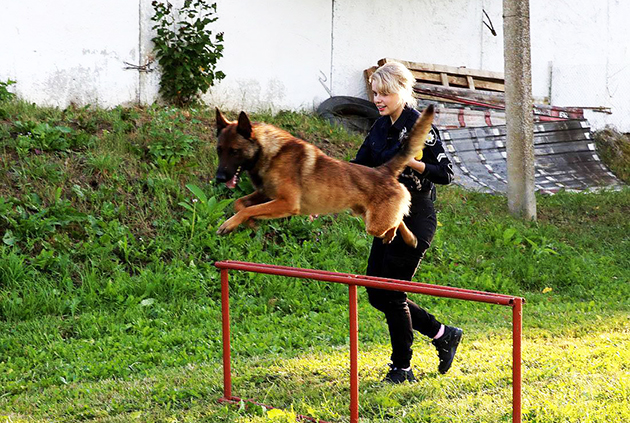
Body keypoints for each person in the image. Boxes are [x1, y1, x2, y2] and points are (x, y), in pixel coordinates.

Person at [352, 61, 462, 383]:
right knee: (376, 293)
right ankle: (442, 333)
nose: (378, 100)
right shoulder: (380, 127)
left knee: (392, 293)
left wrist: (413, 162)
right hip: (388, 216)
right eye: (375, 93)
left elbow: (446, 174)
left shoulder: (418, 126)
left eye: (384, 93)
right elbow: (359, 167)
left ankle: (401, 368)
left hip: (416, 216)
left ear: (402, 90)